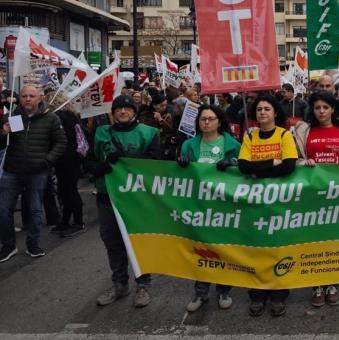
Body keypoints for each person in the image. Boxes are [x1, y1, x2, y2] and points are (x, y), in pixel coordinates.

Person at [86, 95, 162, 308]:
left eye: (127, 108)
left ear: (134, 112)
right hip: (107, 196)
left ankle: (143, 284)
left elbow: (156, 162)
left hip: (137, 198)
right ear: (113, 112)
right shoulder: (101, 133)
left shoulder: (149, 133)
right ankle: (119, 283)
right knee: (112, 240)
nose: (123, 112)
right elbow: (89, 162)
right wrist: (104, 166)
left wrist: (125, 161)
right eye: (118, 108)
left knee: (139, 241)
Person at [293, 91, 339, 307]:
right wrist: (304, 163)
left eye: (325, 107)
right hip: (312, 194)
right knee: (313, 240)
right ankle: (316, 285)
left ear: (333, 109)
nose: (321, 111)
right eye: (317, 108)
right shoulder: (303, 130)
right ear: (312, 110)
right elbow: (294, 158)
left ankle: (332, 283)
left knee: (334, 240)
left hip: (337, 194)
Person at [237, 95, 298, 317]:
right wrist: (271, 163)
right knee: (256, 248)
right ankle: (257, 293)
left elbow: (289, 166)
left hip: (280, 201)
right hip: (254, 200)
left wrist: (257, 170)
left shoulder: (284, 135)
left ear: (275, 113)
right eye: (259, 109)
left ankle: (279, 293)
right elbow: (243, 166)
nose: (262, 112)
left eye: (267, 109)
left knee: (278, 247)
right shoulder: (250, 136)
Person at [177, 105, 240, 312]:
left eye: (211, 119)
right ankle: (200, 292)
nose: (206, 122)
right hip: (199, 206)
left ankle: (224, 290)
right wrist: (181, 163)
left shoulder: (232, 144)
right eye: (203, 119)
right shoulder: (188, 145)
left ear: (219, 122)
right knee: (200, 250)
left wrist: (231, 163)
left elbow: (243, 168)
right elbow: (180, 176)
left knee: (223, 249)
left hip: (224, 207)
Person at [0, 85, 67, 262]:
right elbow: (1, 144)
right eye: (24, 96)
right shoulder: (11, 117)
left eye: (31, 96)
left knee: (35, 209)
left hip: (37, 171)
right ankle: (8, 245)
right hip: (12, 170)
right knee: (3, 209)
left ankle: (33, 244)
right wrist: (3, 133)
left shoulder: (51, 118)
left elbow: (61, 143)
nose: (28, 99)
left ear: (40, 98)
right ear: (19, 98)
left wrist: (46, 161)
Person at [52, 108, 86, 238]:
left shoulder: (59, 116)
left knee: (69, 191)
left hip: (66, 158)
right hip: (72, 157)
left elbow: (62, 138)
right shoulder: (71, 115)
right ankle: (66, 221)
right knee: (65, 190)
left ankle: (78, 222)